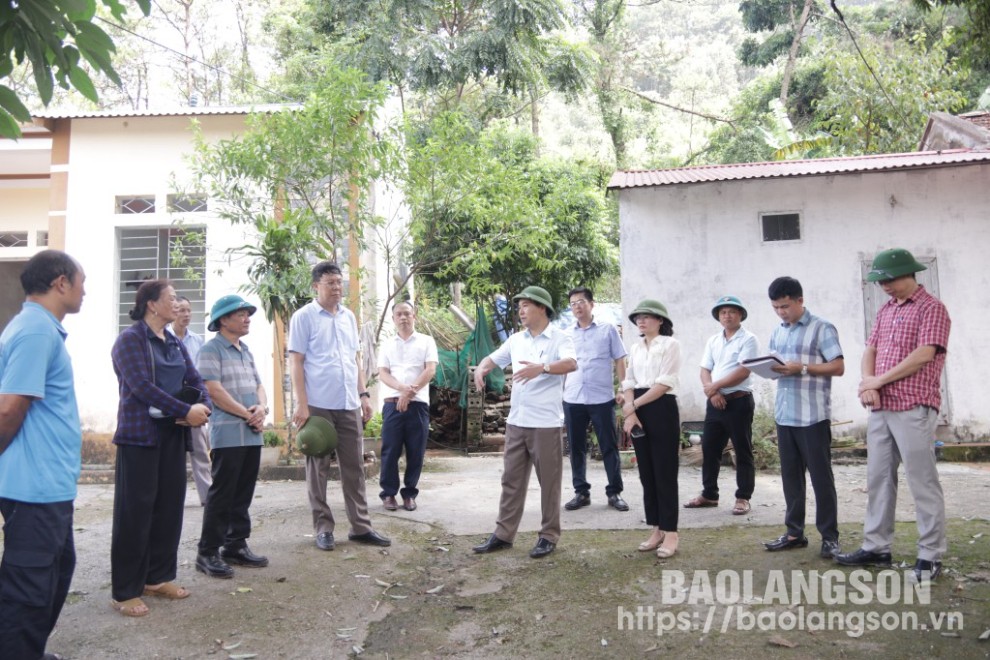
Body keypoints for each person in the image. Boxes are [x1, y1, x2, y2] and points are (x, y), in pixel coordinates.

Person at [836, 249, 951, 583]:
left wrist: (879, 381)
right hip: (882, 407)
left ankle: (930, 555)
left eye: (889, 279)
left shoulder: (932, 308)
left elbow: (924, 354)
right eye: (880, 281)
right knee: (878, 478)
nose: (884, 286)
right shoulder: (886, 310)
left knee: (922, 481)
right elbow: (870, 349)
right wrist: (868, 386)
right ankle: (876, 546)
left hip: (914, 405)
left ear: (909, 274)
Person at [0, 251, 85, 659]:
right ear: (60, 282)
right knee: (29, 588)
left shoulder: (40, 329)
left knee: (55, 571)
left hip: (48, 484)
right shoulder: (35, 331)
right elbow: (8, 409)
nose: (84, 291)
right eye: (80, 282)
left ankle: (27, 649)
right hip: (33, 486)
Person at [110, 279, 212, 617]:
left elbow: (194, 379)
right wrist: (185, 410)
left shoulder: (173, 342)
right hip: (140, 436)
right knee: (135, 513)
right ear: (152, 305)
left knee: (169, 508)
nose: (177, 303)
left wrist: (203, 406)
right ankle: (125, 590)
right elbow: (140, 387)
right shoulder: (130, 340)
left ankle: (157, 578)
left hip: (172, 433)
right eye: (170, 299)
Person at [289, 261, 390, 551]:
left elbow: (354, 359)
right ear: (316, 286)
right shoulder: (304, 317)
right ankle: (323, 527)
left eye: (339, 282)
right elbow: (296, 361)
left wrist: (363, 395)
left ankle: (361, 527)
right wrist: (302, 404)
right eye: (330, 282)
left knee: (354, 467)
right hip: (318, 404)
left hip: (347, 403)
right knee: (317, 468)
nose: (336, 287)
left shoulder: (348, 317)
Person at [472, 286, 577, 559]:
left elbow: (571, 363)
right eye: (519, 306)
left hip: (546, 423)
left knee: (549, 483)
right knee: (511, 480)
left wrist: (542, 367)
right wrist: (481, 370)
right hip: (517, 422)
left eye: (526, 305)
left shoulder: (559, 337)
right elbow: (492, 359)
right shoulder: (516, 340)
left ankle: (548, 535)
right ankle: (504, 534)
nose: (520, 310)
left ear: (542, 308)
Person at [763, 277, 844, 560]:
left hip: (813, 417)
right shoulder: (778, 332)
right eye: (775, 308)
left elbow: (838, 366)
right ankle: (794, 533)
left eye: (785, 306)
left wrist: (804, 368)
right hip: (785, 415)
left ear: (800, 300)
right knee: (790, 480)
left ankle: (830, 537)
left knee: (822, 480)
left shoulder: (822, 328)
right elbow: (778, 367)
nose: (781, 312)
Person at [195, 295, 270, 579]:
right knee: (222, 493)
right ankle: (208, 552)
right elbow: (213, 390)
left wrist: (261, 408)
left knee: (243, 492)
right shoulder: (211, 350)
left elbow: (259, 386)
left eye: (247, 314)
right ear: (223, 320)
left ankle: (235, 544)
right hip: (228, 433)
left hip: (251, 433)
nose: (247, 318)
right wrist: (246, 413)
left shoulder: (245, 350)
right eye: (240, 314)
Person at [684, 295, 759, 515]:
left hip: (739, 401)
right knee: (710, 448)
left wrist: (713, 387)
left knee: (742, 449)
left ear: (740, 315)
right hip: (715, 402)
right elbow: (704, 369)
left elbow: (744, 371)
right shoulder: (713, 340)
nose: (727, 315)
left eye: (732, 311)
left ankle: (743, 497)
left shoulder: (749, 339)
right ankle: (709, 494)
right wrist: (713, 392)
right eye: (723, 312)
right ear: (718, 316)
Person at [620, 299, 682, 559]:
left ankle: (671, 533)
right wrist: (631, 411)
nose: (641, 321)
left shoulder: (671, 344)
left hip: (661, 407)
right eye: (638, 318)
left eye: (647, 317)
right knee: (647, 473)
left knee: (665, 472)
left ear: (661, 320)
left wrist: (632, 405)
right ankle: (656, 528)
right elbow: (629, 379)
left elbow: (664, 383)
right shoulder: (635, 347)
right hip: (638, 408)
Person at [561, 286, 629, 512]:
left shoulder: (608, 330)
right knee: (576, 447)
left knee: (609, 445)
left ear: (592, 304)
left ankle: (614, 493)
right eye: (573, 303)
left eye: (581, 301)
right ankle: (581, 492)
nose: (577, 306)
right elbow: (561, 365)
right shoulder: (565, 334)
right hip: (573, 398)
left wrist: (624, 389)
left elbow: (620, 359)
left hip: (601, 398)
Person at [377, 301, 438, 512]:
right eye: (399, 315)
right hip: (392, 404)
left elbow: (430, 370)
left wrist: (410, 393)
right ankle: (388, 494)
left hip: (418, 405)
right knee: (390, 450)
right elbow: (383, 373)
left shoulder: (426, 341)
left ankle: (409, 493)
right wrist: (402, 389)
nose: (403, 317)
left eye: (407, 314)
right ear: (393, 319)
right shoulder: (387, 344)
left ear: (415, 316)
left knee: (416, 451)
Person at [171, 295, 212, 506]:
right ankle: (170, 497)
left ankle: (207, 497)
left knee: (200, 452)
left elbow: (201, 375)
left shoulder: (197, 341)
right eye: (181, 310)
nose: (186, 314)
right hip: (169, 405)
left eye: (188, 310)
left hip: (194, 404)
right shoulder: (164, 338)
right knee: (171, 455)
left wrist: (204, 404)